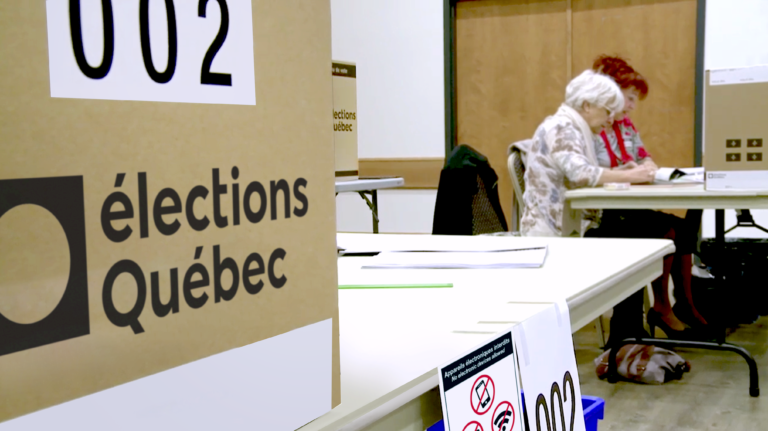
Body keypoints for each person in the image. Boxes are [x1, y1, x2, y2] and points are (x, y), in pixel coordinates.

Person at [588, 55, 708, 340]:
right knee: (664, 232)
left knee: (684, 229)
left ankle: (684, 305)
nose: (630, 107)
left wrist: (646, 167)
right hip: (602, 213)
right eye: (628, 99)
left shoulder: (626, 126)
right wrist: (626, 171)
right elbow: (591, 170)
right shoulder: (594, 127)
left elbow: (645, 158)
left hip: (629, 203)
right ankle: (662, 307)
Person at [520, 70, 655, 238]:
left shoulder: (574, 127)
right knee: (654, 234)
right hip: (558, 232)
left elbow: (578, 173)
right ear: (587, 105)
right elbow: (581, 174)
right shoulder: (562, 128)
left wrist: (618, 173)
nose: (610, 120)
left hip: (574, 223)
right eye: (607, 112)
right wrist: (630, 175)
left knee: (654, 229)